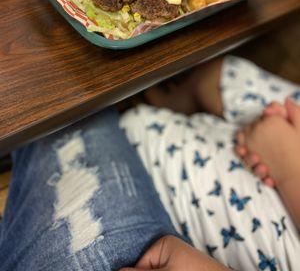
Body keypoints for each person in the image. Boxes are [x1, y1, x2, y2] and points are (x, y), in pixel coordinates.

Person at [0, 56, 299, 270]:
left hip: (167, 181)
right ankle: (163, 102)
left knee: (63, 78)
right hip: (203, 142)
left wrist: (290, 167)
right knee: (228, 74)